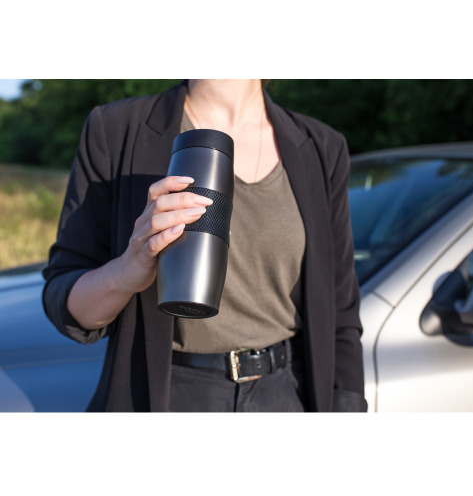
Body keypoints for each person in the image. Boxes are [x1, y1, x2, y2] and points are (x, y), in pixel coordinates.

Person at [42, 79, 367, 412]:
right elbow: (64, 300)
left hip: (288, 393)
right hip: (166, 395)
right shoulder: (117, 128)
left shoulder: (321, 146)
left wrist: (348, 407)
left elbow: (340, 310)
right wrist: (125, 272)